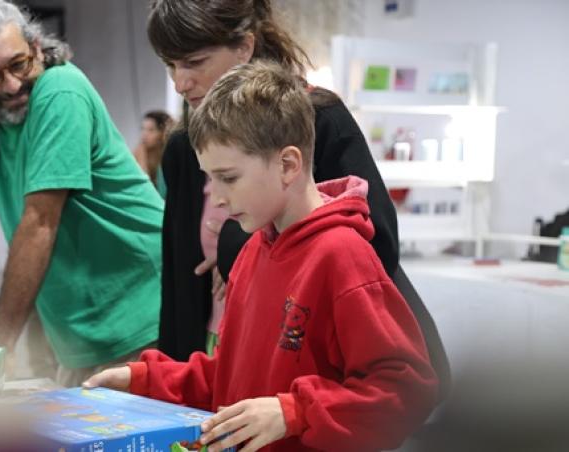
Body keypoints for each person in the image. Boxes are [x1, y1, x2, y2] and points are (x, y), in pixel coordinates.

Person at [85, 61, 438, 452]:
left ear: (288, 165)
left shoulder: (342, 256)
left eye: (229, 177)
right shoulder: (254, 250)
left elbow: (405, 390)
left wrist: (293, 413)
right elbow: (232, 379)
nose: (217, 197)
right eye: (210, 178)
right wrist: (143, 379)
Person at [147, 0, 449, 398]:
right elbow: (181, 285)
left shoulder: (318, 120)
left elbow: (376, 242)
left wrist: (234, 247)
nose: (179, 82)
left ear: (245, 47)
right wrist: (165, 386)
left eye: (195, 62)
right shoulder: (184, 149)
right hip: (234, 364)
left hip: (320, 376)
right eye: (170, 65)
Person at [0, 0, 163, 386]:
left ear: (38, 48)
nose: (12, 85)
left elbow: (40, 221)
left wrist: (0, 347)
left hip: (141, 303)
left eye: (19, 64)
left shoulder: (60, 91)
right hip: (78, 324)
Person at [131, 110, 172, 196]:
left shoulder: (168, 156)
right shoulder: (139, 152)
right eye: (143, 129)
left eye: (151, 130)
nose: (144, 134)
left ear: (163, 132)